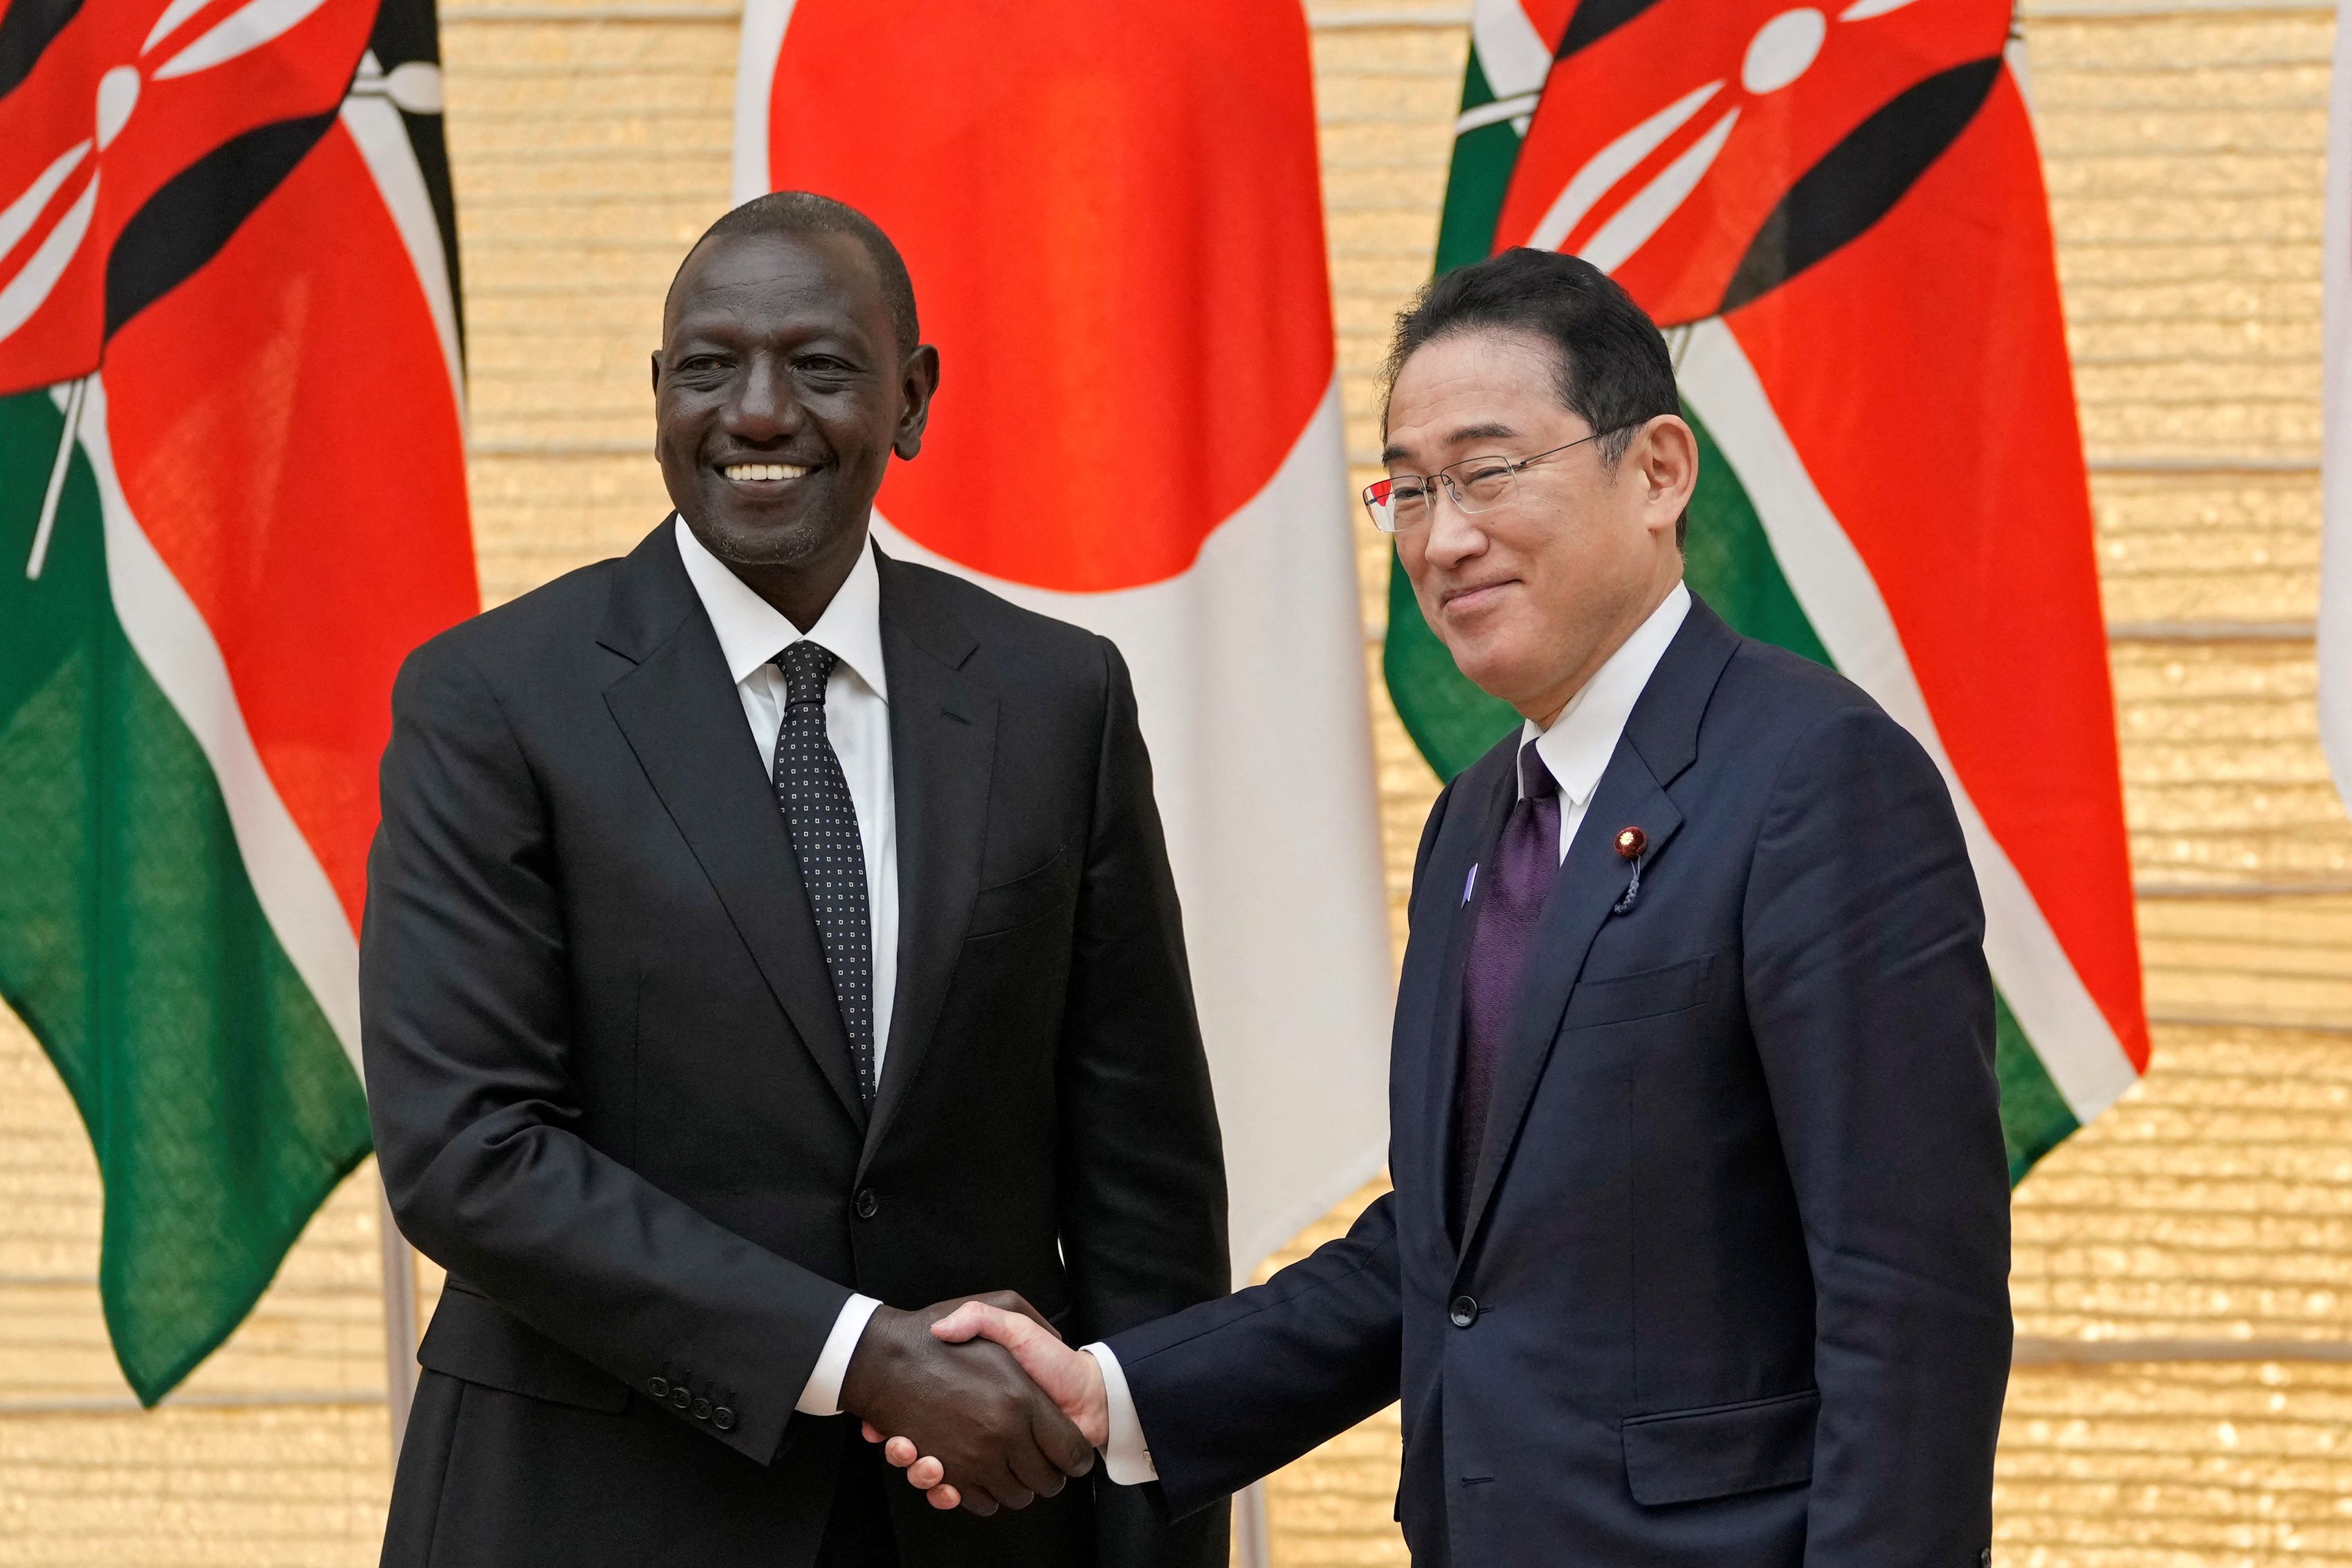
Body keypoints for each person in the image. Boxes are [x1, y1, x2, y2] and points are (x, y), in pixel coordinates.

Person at [881, 247, 2014, 1566]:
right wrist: (1113, 1395)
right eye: (1407, 490)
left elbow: (1909, 1303)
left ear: (1657, 469)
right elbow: (1437, 1261)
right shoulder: (1476, 818)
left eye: (1487, 472)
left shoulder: (1819, 777)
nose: (1443, 536)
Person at [362, 191, 1230, 1568]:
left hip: (985, 1528)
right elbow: (470, 1150)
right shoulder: (491, 700)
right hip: (587, 1508)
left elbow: (1143, 1185)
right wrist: (857, 1354)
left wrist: (1154, 1528)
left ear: (911, 396)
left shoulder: (1054, 698)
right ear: (658, 392)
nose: (757, 412)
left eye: (817, 366)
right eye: (708, 366)